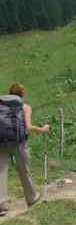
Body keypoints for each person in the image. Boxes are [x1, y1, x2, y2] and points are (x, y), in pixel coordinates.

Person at [0, 83, 49, 215]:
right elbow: (28, 127)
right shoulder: (24, 106)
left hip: (1, 141)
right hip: (19, 142)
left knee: (1, 171)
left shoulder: (1, 105)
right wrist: (43, 129)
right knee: (23, 169)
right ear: (22, 94)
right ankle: (31, 198)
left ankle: (2, 205)